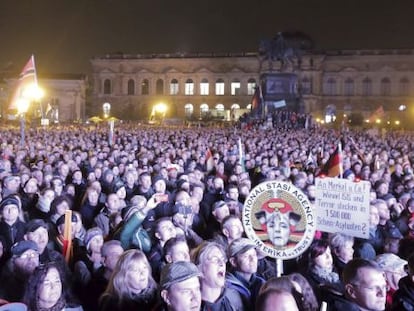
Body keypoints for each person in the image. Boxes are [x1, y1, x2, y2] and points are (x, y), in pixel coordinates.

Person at [192, 241, 244, 311]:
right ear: (200, 269)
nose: (222, 263)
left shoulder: (234, 297)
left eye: (223, 259)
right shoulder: (191, 305)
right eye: (215, 260)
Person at [226, 238, 265, 310]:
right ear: (233, 262)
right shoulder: (226, 289)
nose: (252, 259)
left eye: (254, 254)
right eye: (246, 256)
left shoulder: (261, 284)